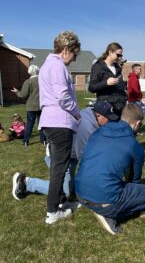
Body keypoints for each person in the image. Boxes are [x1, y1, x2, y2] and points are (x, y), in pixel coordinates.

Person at [75, 103, 145, 235]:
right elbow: (135, 180)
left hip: (80, 192)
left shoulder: (98, 132)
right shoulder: (134, 145)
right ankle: (107, 214)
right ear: (137, 123)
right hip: (105, 197)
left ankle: (100, 206)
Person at [12, 101, 118, 202]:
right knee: (64, 192)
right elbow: (85, 162)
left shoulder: (91, 115)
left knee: (71, 188)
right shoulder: (86, 128)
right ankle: (26, 183)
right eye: (109, 118)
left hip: (70, 154)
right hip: (58, 155)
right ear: (99, 115)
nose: (110, 121)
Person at [38, 31, 81, 224]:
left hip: (51, 121)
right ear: (65, 50)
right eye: (74, 54)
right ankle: (52, 211)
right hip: (59, 122)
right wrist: (77, 113)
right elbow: (63, 97)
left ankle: (61, 202)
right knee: (59, 169)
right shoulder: (56, 66)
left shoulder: (50, 64)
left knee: (58, 166)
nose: (74, 59)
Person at [88, 42, 127, 117]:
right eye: (118, 55)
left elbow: (120, 85)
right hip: (106, 109)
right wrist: (106, 83)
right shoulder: (98, 66)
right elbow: (91, 88)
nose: (119, 57)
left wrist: (125, 94)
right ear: (110, 52)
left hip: (119, 107)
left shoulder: (117, 68)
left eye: (121, 55)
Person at [11, 65, 46, 146]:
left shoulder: (28, 82)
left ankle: (26, 141)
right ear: (38, 71)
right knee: (42, 123)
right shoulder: (43, 80)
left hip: (31, 107)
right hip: (42, 105)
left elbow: (23, 95)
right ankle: (43, 140)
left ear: (29, 72)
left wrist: (17, 92)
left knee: (30, 124)